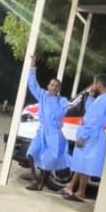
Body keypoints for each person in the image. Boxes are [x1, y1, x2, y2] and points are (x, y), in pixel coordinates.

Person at [63, 74, 106, 202]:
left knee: (86, 164)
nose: (93, 85)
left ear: (99, 83)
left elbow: (97, 121)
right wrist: (91, 97)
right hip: (90, 134)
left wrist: (85, 136)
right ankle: (71, 187)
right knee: (81, 163)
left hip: (93, 136)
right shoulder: (103, 98)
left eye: (94, 83)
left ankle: (80, 191)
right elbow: (90, 112)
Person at [25, 55, 69, 191]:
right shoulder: (42, 95)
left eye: (56, 86)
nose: (53, 87)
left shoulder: (62, 101)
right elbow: (32, 84)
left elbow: (59, 113)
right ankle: (35, 179)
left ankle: (41, 184)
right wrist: (32, 66)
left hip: (54, 134)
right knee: (31, 153)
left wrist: (53, 99)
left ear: (58, 89)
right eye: (51, 85)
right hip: (42, 131)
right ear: (48, 86)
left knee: (48, 160)